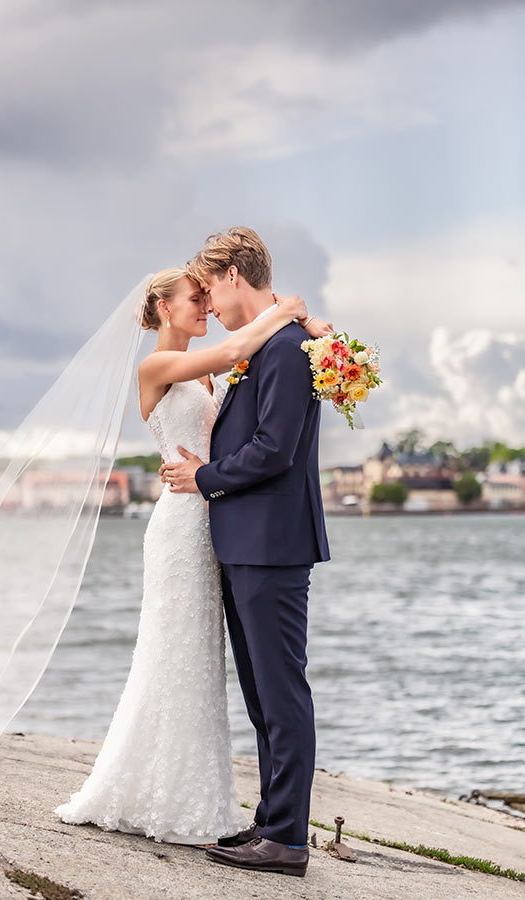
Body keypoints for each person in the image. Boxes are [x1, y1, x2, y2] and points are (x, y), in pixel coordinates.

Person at [53, 265, 332, 847]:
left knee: (205, 666)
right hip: (182, 528)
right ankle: (153, 788)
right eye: (195, 300)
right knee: (170, 654)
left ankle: (209, 798)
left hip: (219, 527)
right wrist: (287, 310)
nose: (204, 307)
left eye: (208, 297)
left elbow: (252, 385)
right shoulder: (158, 366)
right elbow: (237, 347)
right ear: (161, 308)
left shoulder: (211, 378)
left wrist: (312, 330)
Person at [161, 227, 331, 877]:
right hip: (248, 542)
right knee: (263, 693)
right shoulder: (271, 345)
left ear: (234, 275)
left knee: (281, 692)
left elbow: (275, 448)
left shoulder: (287, 348)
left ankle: (287, 839)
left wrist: (203, 477)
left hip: (272, 544)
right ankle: (272, 821)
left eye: (211, 289)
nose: (211, 302)